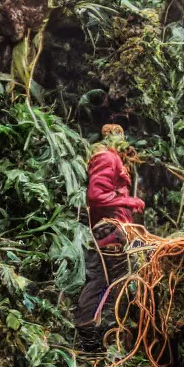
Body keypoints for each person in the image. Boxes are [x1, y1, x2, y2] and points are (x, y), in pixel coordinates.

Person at [73, 124, 145, 352]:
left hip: (114, 233)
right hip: (109, 234)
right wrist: (129, 202)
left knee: (105, 282)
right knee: (115, 283)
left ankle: (94, 337)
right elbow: (96, 196)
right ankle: (98, 338)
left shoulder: (111, 159)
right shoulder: (107, 157)